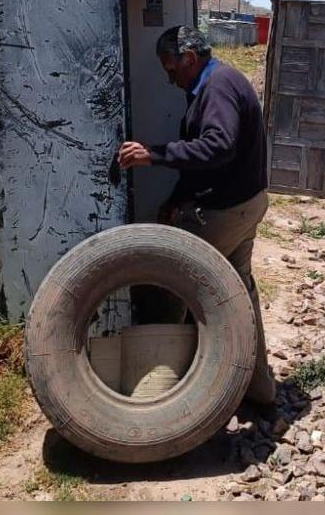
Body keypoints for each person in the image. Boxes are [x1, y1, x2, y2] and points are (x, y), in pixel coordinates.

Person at [118, 24, 277, 406]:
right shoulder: (217, 82)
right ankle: (258, 391)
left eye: (171, 69)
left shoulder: (218, 87)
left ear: (190, 58)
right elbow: (207, 158)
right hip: (245, 205)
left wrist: (153, 154)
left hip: (224, 212)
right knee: (239, 296)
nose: (170, 79)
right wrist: (177, 198)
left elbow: (217, 147)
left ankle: (169, 396)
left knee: (174, 286)